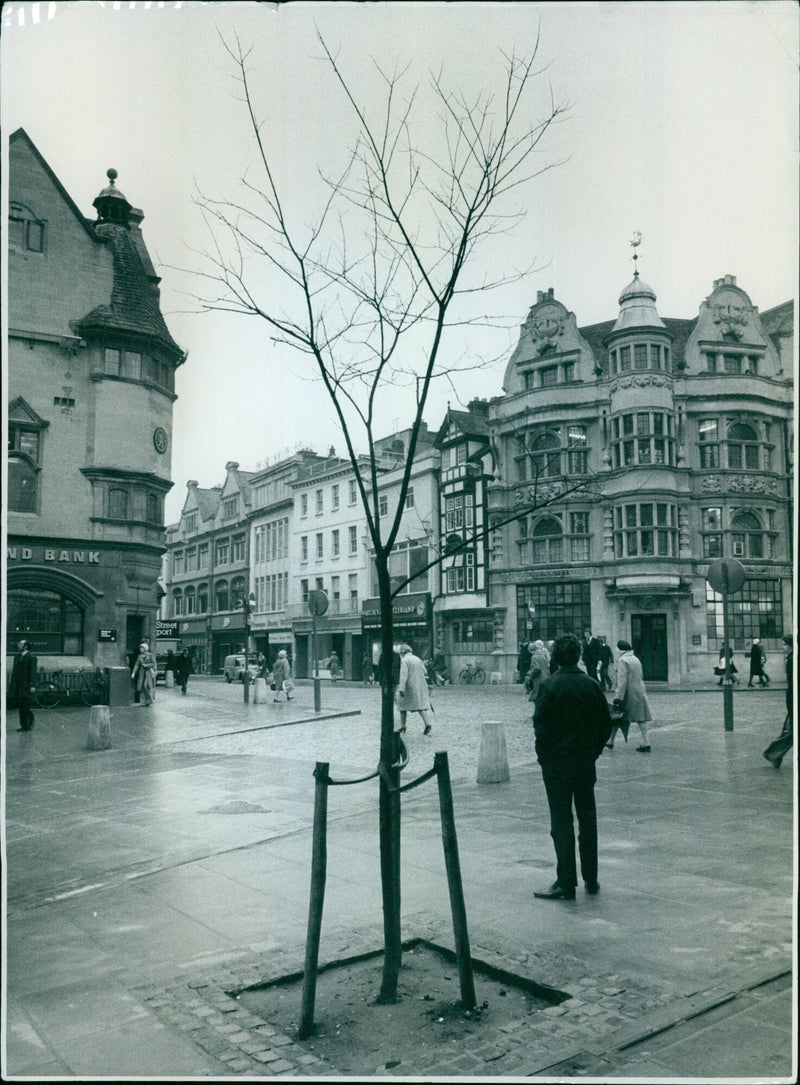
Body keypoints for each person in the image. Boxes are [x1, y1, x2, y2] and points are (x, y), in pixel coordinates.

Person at [532, 634, 612, 901]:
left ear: (556, 657)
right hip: (584, 763)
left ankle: (566, 882)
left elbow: (540, 727)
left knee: (561, 822)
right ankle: (591, 877)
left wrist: (545, 758)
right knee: (588, 819)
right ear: (578, 655)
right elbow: (604, 725)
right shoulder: (591, 685)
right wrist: (593, 752)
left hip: (556, 766)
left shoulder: (549, 686)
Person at [610, 640, 653, 751]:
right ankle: (645, 742)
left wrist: (618, 697)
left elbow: (622, 681)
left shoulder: (623, 660)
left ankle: (611, 741)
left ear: (620, 649)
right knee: (639, 718)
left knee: (617, 716)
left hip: (627, 693)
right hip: (639, 691)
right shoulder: (635, 659)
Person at [763, 635, 794, 768]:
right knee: (790, 729)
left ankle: (775, 754)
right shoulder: (791, 659)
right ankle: (774, 753)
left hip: (793, 698)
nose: (783, 647)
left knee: (790, 730)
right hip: (793, 698)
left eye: (785, 645)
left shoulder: (792, 659)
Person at [395, 644, 433, 735]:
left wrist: (402, 688)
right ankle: (427, 723)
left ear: (403, 652)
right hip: (419, 685)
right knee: (420, 706)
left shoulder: (405, 660)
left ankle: (403, 726)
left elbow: (403, 675)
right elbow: (425, 671)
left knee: (402, 706)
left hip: (409, 686)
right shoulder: (417, 659)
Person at [10, 640, 38, 732]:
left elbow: (33, 672)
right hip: (18, 685)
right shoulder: (17, 656)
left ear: (26, 646)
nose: (18, 645)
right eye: (19, 644)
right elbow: (15, 672)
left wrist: (32, 685)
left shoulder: (31, 657)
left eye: (21, 644)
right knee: (21, 705)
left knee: (25, 705)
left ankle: (28, 723)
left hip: (27, 685)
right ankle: (25, 724)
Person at [524, 640, 551, 714]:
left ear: (532, 651)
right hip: (545, 678)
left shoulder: (534, 657)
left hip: (538, 679)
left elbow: (536, 669)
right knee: (543, 696)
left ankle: (538, 712)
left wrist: (530, 675)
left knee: (536, 697)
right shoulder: (544, 656)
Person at [131, 641, 156, 706]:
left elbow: (153, 663)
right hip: (142, 673)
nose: (140, 649)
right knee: (141, 686)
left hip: (148, 673)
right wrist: (133, 672)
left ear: (145, 649)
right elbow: (136, 665)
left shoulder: (150, 655)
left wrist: (147, 665)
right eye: (140, 648)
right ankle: (146, 701)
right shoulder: (139, 656)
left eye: (141, 648)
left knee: (145, 686)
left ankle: (149, 700)